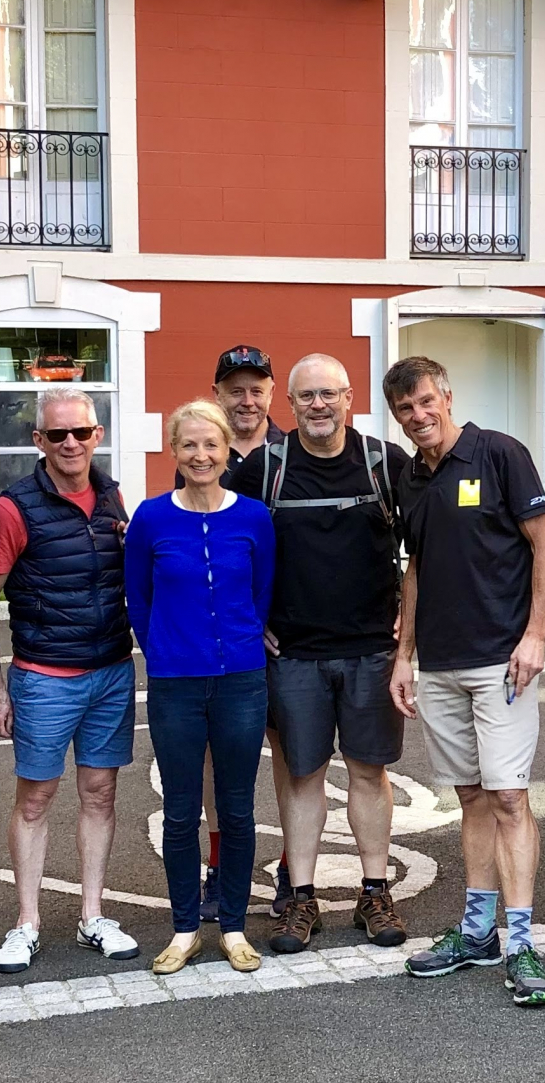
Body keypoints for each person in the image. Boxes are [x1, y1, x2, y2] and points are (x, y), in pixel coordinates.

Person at [384, 355, 545, 1009]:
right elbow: (416, 568)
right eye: (405, 409)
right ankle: (476, 932)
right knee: (471, 798)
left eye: (426, 401)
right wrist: (404, 655)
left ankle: (519, 941)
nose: (418, 415)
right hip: (441, 664)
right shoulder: (409, 477)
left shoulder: (500, 455)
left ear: (447, 395)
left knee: (510, 799)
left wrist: (537, 634)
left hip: (501, 664)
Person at [227, 354, 416, 955]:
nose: (318, 405)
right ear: (290, 403)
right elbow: (224, 540)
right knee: (303, 776)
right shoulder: (266, 467)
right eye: (306, 396)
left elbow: (430, 550)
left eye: (328, 394)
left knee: (368, 771)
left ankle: (374, 891)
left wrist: (407, 635)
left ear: (349, 397)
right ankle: (299, 898)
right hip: (295, 654)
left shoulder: (385, 462)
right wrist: (251, 623)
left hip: (371, 652)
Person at [0, 388, 141, 975]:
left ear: (97, 435)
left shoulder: (113, 497)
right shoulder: (14, 507)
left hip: (109, 672)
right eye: (57, 435)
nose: (71, 443)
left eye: (81, 433)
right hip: (45, 677)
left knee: (100, 793)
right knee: (36, 798)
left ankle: (92, 915)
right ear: (39, 441)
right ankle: (26, 923)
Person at [126, 399, 277, 975]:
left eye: (210, 445)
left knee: (237, 809)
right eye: (188, 445)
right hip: (175, 682)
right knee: (180, 811)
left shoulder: (253, 517)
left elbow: (262, 591)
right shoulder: (152, 517)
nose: (201, 455)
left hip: (240, 677)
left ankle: (234, 927)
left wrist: (243, 638)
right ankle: (186, 927)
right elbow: (139, 595)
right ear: (174, 451)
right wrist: (160, 645)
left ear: (225, 451)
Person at [187, 344, 282, 923]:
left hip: (286, 632)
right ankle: (222, 868)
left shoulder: (296, 451)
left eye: (256, 389)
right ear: (217, 392)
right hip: (219, 638)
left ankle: (296, 870)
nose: (246, 400)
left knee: (294, 753)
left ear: (271, 394)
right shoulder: (201, 453)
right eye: (235, 389)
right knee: (212, 761)